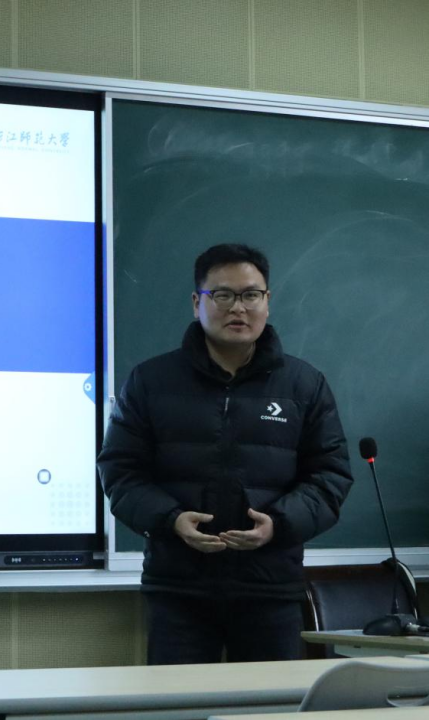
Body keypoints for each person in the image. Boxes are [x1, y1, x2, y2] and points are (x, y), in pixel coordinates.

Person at [97, 243, 353, 665]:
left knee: (269, 700)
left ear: (267, 301)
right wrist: (171, 519)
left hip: (270, 587)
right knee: (177, 700)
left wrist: (278, 524)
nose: (239, 307)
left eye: (251, 294)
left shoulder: (304, 385)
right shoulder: (151, 381)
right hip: (179, 588)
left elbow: (331, 476)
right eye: (223, 295)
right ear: (196, 302)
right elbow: (120, 472)